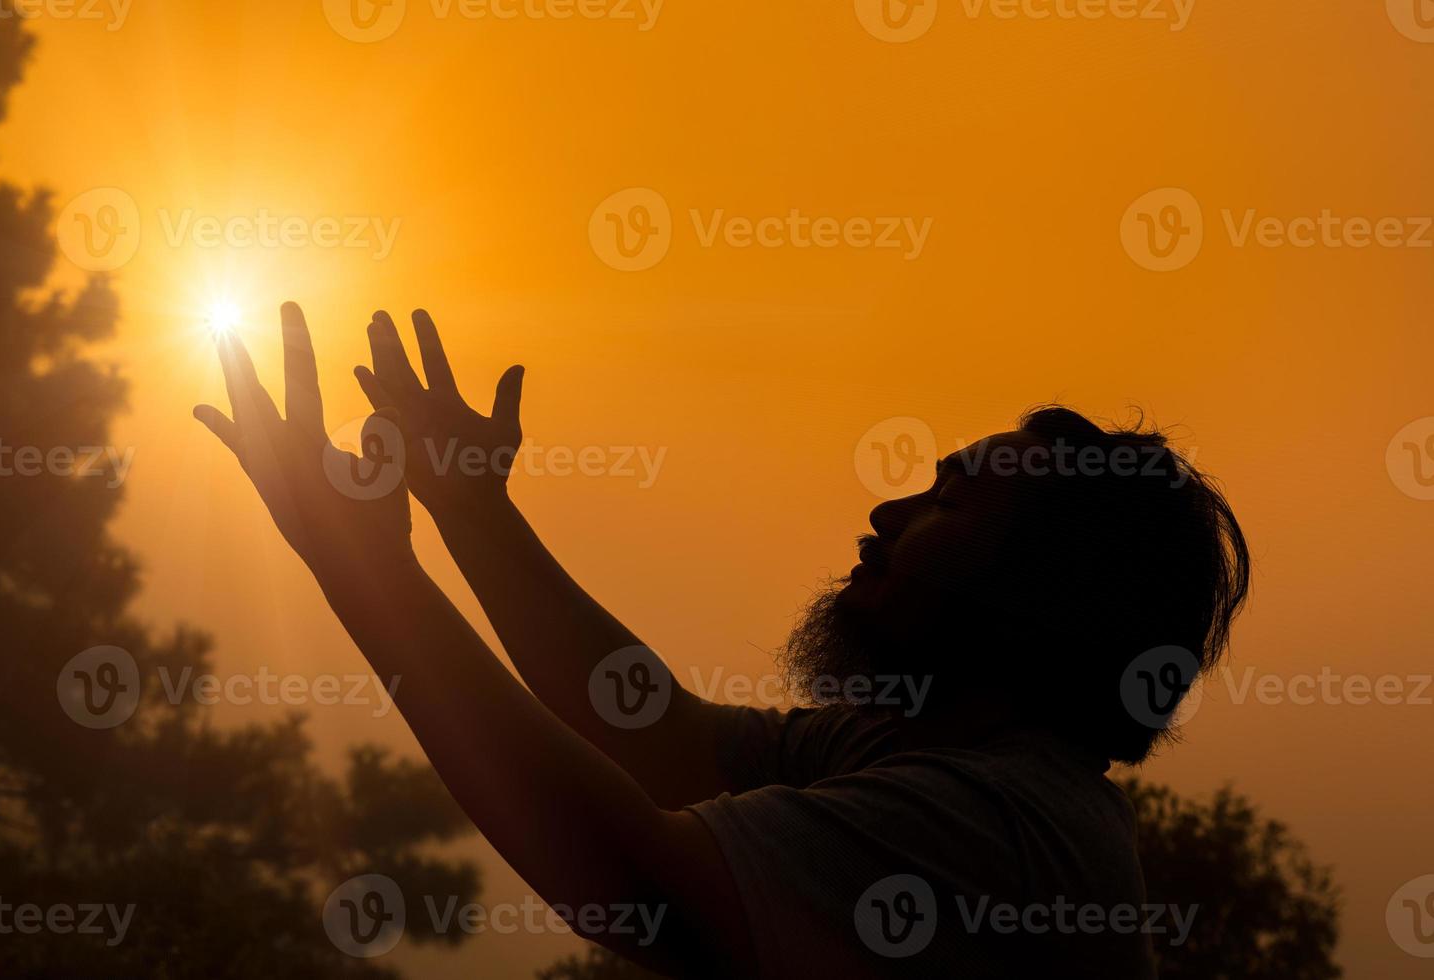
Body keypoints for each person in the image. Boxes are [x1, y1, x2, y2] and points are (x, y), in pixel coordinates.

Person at [194, 303, 1249, 978]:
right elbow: (655, 733)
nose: (890, 512)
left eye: (949, 504)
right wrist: (472, 513)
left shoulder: (997, 829)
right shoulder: (916, 759)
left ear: (1041, 600)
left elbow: (628, 870)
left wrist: (366, 570)